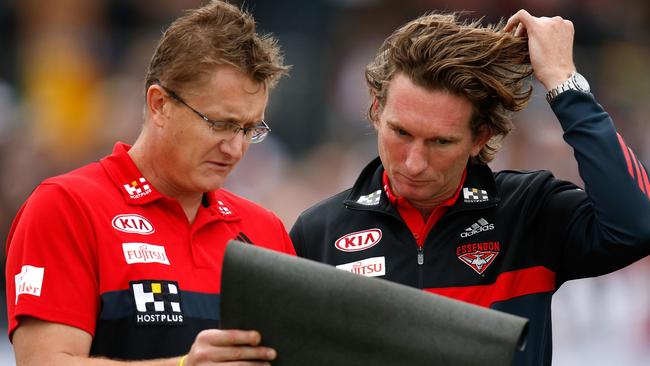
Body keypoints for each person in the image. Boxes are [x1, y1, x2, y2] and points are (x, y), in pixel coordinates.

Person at [290, 9, 650, 366]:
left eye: (440, 142)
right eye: (401, 133)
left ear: (481, 137)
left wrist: (563, 80)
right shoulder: (318, 232)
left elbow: (636, 225)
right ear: (375, 110)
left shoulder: (529, 212)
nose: (414, 162)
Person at [5, 1, 294, 365]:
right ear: (159, 104)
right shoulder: (67, 206)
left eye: (249, 129)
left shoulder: (266, 231)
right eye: (220, 124)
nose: (235, 148)